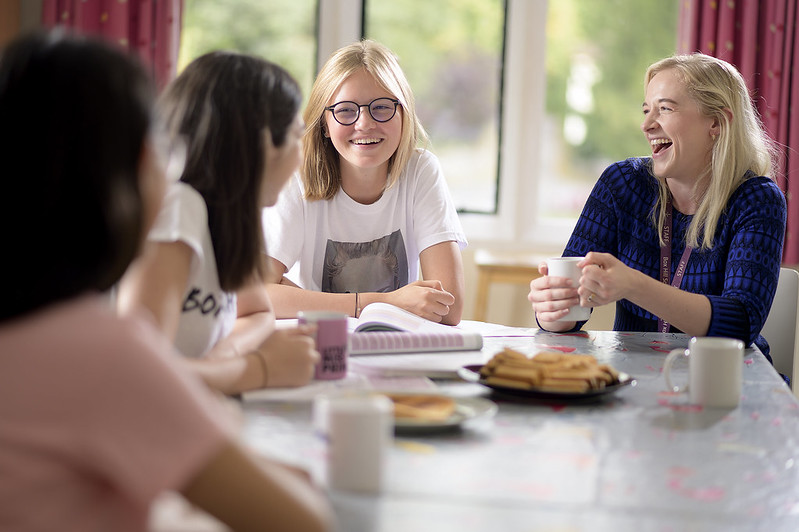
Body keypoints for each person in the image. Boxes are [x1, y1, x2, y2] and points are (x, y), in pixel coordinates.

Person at [0, 31, 331, 531]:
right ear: (135, 167)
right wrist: (256, 369)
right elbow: (307, 523)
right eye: (159, 145)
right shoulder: (101, 353)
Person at [528, 53, 786, 361]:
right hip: (633, 379)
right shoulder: (622, 184)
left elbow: (741, 322)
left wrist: (634, 285)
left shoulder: (757, 200)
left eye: (664, 109)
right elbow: (570, 301)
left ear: (716, 122)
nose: (647, 125)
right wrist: (553, 311)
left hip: (724, 381)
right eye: (647, 110)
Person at [116, 51, 319, 394]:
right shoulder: (179, 208)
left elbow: (257, 313)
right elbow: (138, 378)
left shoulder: (224, 216)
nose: (301, 158)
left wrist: (219, 363)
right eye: (298, 137)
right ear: (266, 144)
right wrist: (261, 368)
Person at [262, 39, 467, 326]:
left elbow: (448, 308)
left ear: (403, 113)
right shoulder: (299, 179)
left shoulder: (421, 171)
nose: (364, 123)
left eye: (381, 107)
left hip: (396, 349)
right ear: (324, 123)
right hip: (319, 347)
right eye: (346, 110)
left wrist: (305, 300)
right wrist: (382, 302)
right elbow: (252, 294)